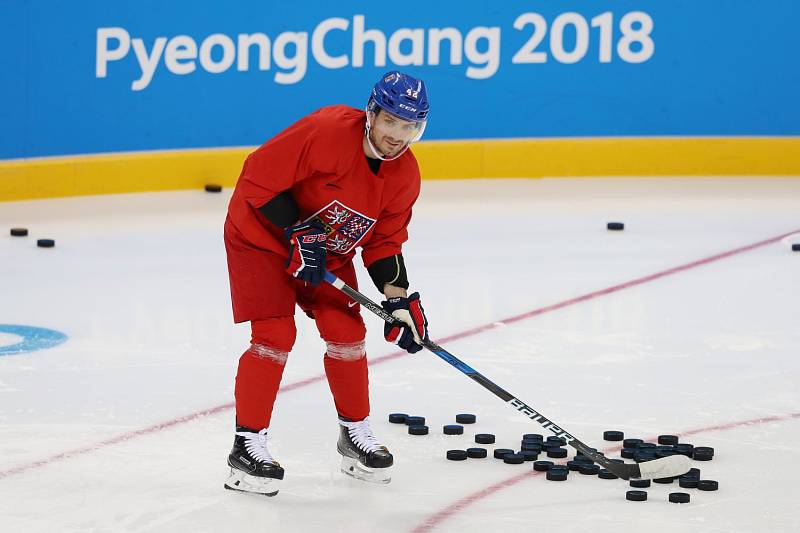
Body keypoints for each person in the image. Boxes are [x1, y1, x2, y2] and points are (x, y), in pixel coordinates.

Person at [222, 71, 431, 496]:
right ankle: (247, 447)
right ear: (371, 113)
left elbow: (384, 242)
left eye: (409, 126)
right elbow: (256, 177)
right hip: (260, 238)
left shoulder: (405, 176)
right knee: (275, 335)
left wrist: (398, 300)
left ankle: (354, 436)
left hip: (326, 252)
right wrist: (298, 230)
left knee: (347, 332)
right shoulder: (327, 130)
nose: (398, 135)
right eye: (391, 121)